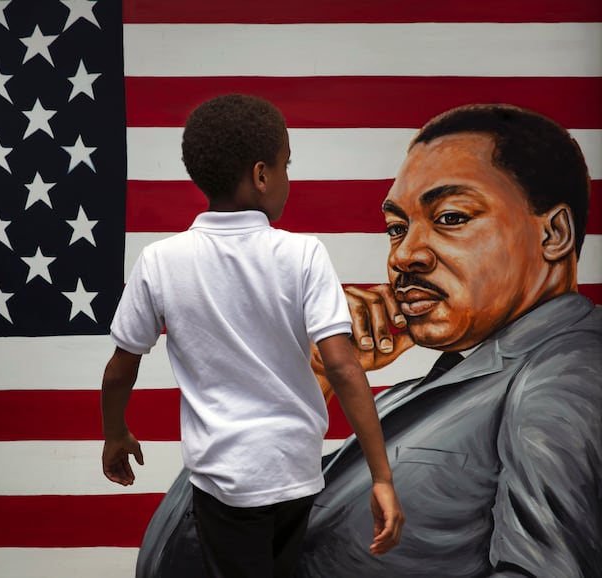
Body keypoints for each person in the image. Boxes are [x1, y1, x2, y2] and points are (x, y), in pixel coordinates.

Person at [136, 103, 601, 578]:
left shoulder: (565, 372)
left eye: (451, 217)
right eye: (397, 228)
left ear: (554, 234)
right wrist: (311, 374)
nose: (404, 255)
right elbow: (180, 559)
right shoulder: (436, 388)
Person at [101, 93, 404, 578]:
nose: (288, 179)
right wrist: (381, 477)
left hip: (224, 478)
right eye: (286, 165)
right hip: (295, 471)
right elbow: (343, 367)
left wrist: (116, 432)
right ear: (262, 175)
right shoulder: (303, 254)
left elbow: (121, 369)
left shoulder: (160, 261)